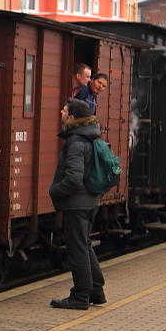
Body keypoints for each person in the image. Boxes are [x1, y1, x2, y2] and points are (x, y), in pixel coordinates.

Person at [47, 98, 107, 310]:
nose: (61, 113)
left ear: (71, 117)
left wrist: (54, 190)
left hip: (76, 203)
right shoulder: (89, 137)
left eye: (64, 110)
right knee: (84, 245)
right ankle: (96, 291)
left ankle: (80, 296)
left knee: (77, 248)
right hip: (89, 201)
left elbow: (73, 178)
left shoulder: (75, 142)